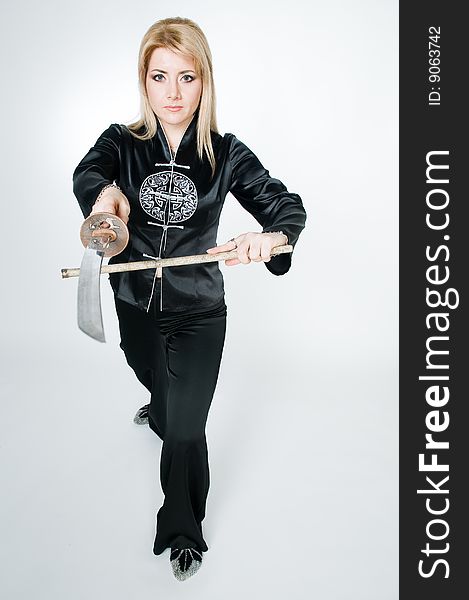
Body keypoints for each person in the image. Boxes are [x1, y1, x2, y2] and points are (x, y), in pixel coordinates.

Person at [72, 16, 306, 582]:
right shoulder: (121, 143)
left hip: (200, 310)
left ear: (205, 82)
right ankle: (160, 400)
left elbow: (287, 208)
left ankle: (182, 530)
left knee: (184, 429)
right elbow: (89, 173)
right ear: (144, 81)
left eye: (187, 77)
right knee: (151, 379)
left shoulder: (225, 154)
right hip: (132, 301)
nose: (173, 94)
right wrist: (105, 198)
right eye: (159, 77)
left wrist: (268, 239)